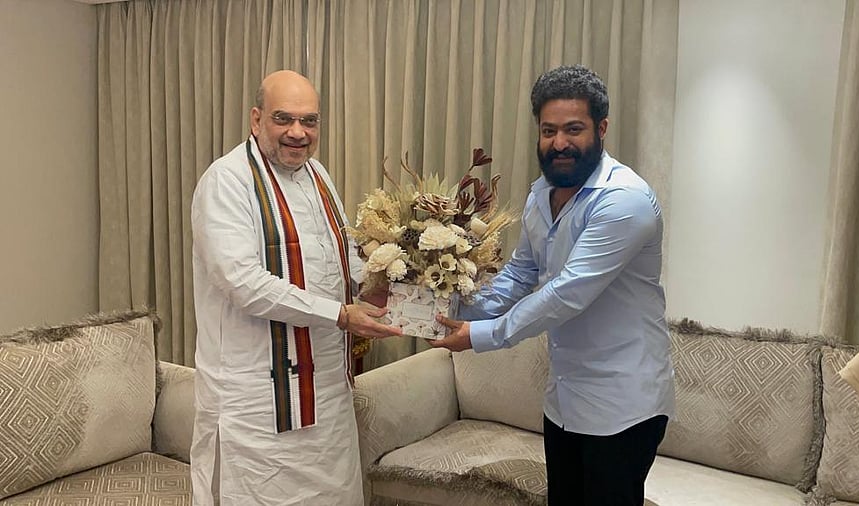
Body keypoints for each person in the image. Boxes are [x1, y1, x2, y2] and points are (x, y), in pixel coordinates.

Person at [433, 64, 675, 506]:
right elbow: (520, 273)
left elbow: (566, 293)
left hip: (622, 407)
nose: (559, 143)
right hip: (564, 399)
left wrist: (481, 336)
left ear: (601, 129)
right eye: (549, 131)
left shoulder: (624, 200)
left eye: (573, 129)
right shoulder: (541, 193)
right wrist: (448, 310)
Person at [190, 69, 402, 505]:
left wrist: (380, 285)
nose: (297, 132)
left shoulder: (317, 175)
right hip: (255, 403)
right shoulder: (226, 181)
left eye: (309, 121)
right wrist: (340, 315)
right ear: (256, 119)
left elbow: (341, 254)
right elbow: (242, 283)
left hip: (328, 391)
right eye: (283, 118)